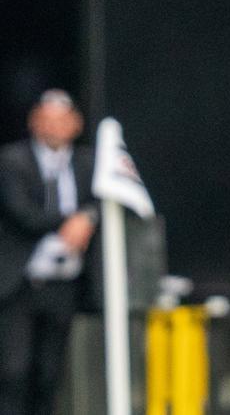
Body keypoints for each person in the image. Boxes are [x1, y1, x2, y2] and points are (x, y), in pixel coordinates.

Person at [0, 89, 98, 415]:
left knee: (50, 373)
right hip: (22, 284)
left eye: (61, 121)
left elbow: (109, 199)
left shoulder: (89, 163)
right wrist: (73, 218)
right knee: (14, 370)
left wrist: (90, 215)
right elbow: (22, 213)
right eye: (47, 120)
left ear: (75, 124)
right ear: (34, 123)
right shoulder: (12, 160)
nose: (54, 128)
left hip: (65, 284)